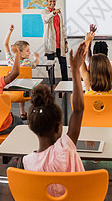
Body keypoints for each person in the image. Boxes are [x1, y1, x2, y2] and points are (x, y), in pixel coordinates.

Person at [23, 41, 87, 197]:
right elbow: (78, 110)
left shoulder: (27, 162)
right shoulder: (65, 148)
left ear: (31, 126)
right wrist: (75, 70)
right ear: (59, 128)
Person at [3, 24, 39, 120]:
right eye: (27, 51)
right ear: (20, 52)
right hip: (24, 93)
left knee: (18, 83)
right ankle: (25, 112)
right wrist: (36, 58)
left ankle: (16, 112)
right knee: (24, 84)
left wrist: (9, 31)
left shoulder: (10, 61)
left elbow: (5, 45)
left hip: (8, 93)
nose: (30, 52)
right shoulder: (27, 63)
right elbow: (35, 63)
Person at [41, 0, 68, 85]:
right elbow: (46, 19)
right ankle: (52, 84)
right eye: (50, 1)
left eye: (54, 1)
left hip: (60, 43)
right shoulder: (44, 12)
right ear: (47, 2)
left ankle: (65, 83)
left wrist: (65, 42)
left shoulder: (59, 13)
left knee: (63, 64)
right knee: (50, 65)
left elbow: (62, 28)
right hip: (50, 43)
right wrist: (53, 12)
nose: (52, 3)